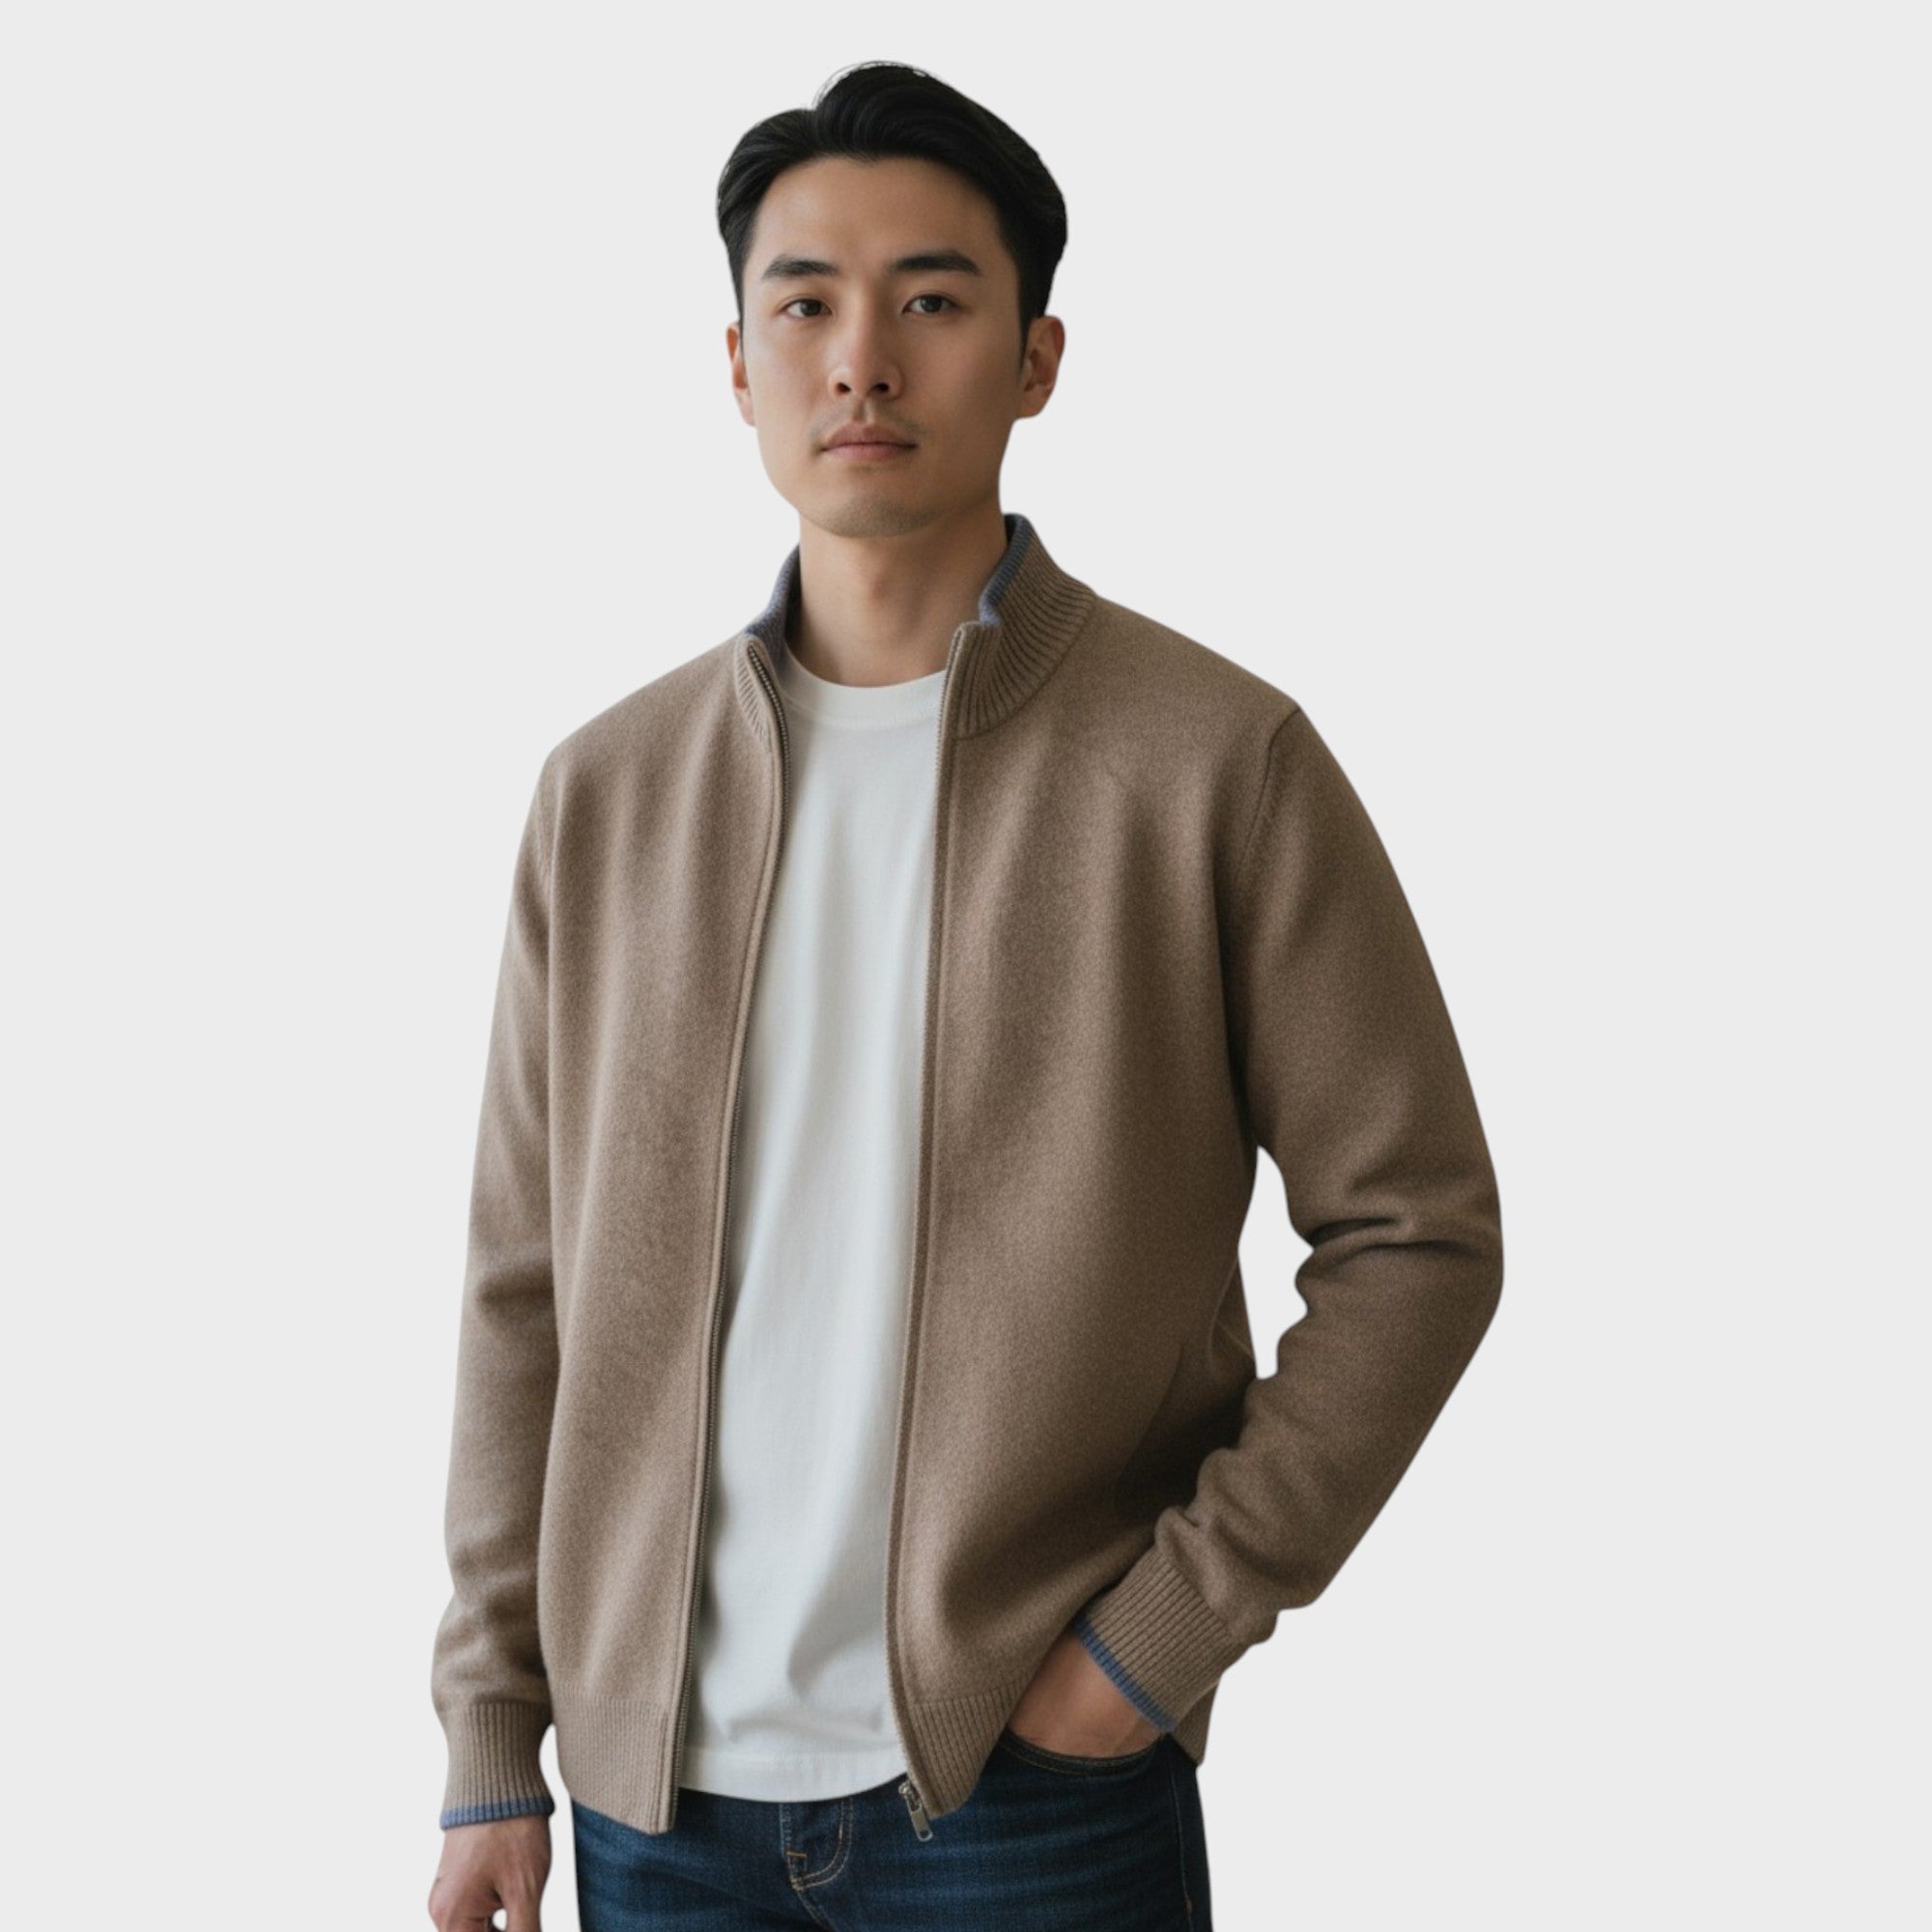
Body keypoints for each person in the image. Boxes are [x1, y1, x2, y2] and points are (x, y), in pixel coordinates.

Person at [428, 58, 1503, 1932]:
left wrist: (1153, 1643)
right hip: (654, 1803)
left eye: (931, 300)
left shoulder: (1213, 761)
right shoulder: (606, 795)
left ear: (1035, 359)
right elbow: (527, 1287)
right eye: (806, 305)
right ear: (738, 364)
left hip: (1028, 1791)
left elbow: (1418, 1231)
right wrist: (491, 1733)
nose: (862, 359)